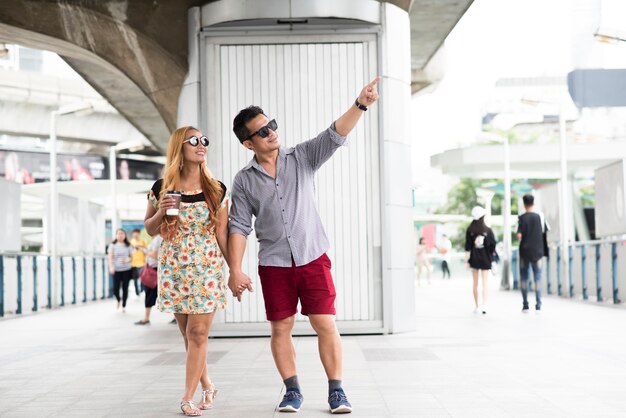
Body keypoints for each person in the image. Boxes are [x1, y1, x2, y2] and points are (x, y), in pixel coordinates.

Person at [228, 76, 380, 415]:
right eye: (263, 131)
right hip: (274, 264)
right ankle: (292, 391)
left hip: (313, 257)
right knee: (281, 327)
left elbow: (335, 134)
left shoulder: (303, 157)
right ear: (248, 144)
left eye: (272, 125)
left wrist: (361, 105)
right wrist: (235, 270)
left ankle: (337, 391)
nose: (272, 133)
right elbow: (239, 225)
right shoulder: (244, 180)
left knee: (324, 322)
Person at [144, 126, 229, 416]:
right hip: (175, 267)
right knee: (188, 335)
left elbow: (222, 234)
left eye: (205, 140)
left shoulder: (216, 189)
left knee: (198, 333)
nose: (202, 144)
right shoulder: (161, 188)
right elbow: (149, 228)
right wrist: (160, 210)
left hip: (206, 267)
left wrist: (236, 272)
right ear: (180, 147)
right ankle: (208, 385)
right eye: (194, 141)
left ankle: (187, 396)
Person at [517, 194, 546, 312]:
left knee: (524, 277)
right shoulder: (538, 217)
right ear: (533, 204)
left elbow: (519, 235)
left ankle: (525, 304)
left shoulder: (522, 218)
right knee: (537, 277)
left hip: (524, 252)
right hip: (537, 252)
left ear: (524, 204)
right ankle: (538, 304)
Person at [464, 206, 496, 314]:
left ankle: (477, 306)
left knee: (475, 283)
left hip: (474, 259)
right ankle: (484, 305)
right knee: (485, 282)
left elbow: (467, 247)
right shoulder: (487, 230)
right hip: (485, 259)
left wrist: (466, 261)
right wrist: (492, 259)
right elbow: (492, 246)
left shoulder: (470, 230)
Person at [135, 234, 162, 325]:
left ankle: (146, 318)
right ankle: (146, 318)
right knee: (152, 293)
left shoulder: (158, 238)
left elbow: (154, 255)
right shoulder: (156, 238)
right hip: (154, 269)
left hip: (154, 270)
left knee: (149, 293)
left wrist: (144, 250)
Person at [108, 229, 134, 312]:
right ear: (116, 235)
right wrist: (111, 267)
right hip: (116, 270)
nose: (120, 235)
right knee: (115, 288)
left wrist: (127, 260)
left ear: (125, 235)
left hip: (127, 269)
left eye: (122, 234)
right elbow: (110, 257)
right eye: (118, 234)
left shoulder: (128, 245)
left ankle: (124, 305)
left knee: (125, 288)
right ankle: (118, 299)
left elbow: (132, 257)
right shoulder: (112, 245)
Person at [130, 228, 147, 296]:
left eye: (137, 233)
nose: (135, 234)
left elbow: (146, 251)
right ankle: (137, 293)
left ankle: (142, 290)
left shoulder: (142, 241)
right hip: (133, 263)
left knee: (142, 277)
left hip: (142, 262)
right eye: (134, 233)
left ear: (139, 234)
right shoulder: (131, 242)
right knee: (135, 279)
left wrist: (140, 247)